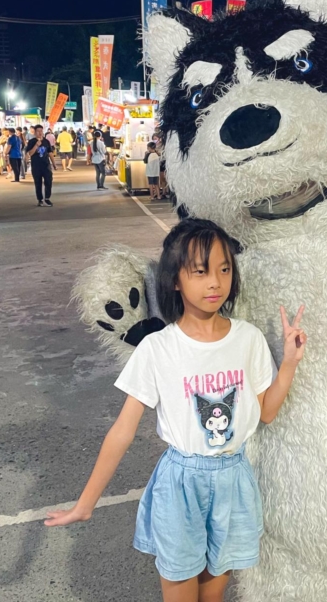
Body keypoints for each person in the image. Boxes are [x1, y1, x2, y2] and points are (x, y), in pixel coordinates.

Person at [45, 219, 306, 602]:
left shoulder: (247, 339)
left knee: (212, 597)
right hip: (181, 484)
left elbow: (266, 412)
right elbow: (122, 429)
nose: (215, 282)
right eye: (200, 272)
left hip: (234, 482)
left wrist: (289, 363)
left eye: (224, 269)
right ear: (175, 280)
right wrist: (86, 504)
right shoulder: (158, 348)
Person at [26, 124, 55, 207]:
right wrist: (36, 145)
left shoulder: (46, 141)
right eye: (38, 131)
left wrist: (53, 163)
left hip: (46, 165)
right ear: (34, 132)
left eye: (41, 131)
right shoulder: (32, 142)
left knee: (48, 182)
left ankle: (47, 198)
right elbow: (30, 154)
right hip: (36, 166)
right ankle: (40, 199)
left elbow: (50, 152)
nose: (40, 133)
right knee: (38, 183)